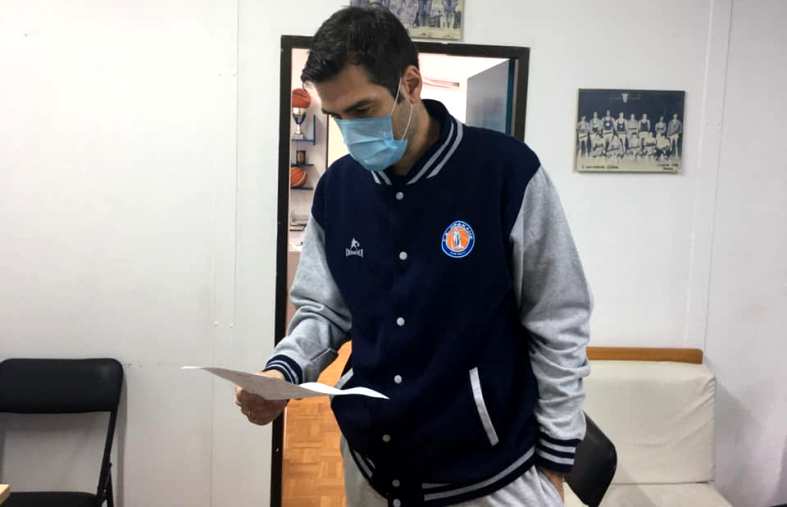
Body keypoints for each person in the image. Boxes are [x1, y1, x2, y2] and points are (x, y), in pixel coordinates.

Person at [235, 6, 591, 507]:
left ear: (410, 84)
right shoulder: (338, 189)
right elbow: (324, 308)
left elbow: (558, 318)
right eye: (336, 117)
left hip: (488, 472)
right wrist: (283, 373)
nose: (350, 131)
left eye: (362, 109)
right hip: (372, 465)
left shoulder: (506, 173)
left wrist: (556, 454)